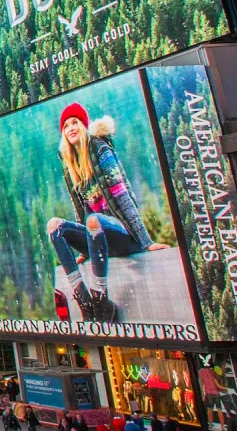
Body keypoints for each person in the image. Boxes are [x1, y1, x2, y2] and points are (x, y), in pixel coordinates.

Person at [46, 102, 168, 322]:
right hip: (95, 235)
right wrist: (83, 245)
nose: (71, 128)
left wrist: (145, 241)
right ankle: (83, 297)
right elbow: (78, 208)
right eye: (66, 126)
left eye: (75, 123)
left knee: (94, 220)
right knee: (54, 226)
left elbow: (122, 197)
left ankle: (100, 296)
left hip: (120, 232)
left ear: (84, 126)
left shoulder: (100, 148)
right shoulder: (69, 164)